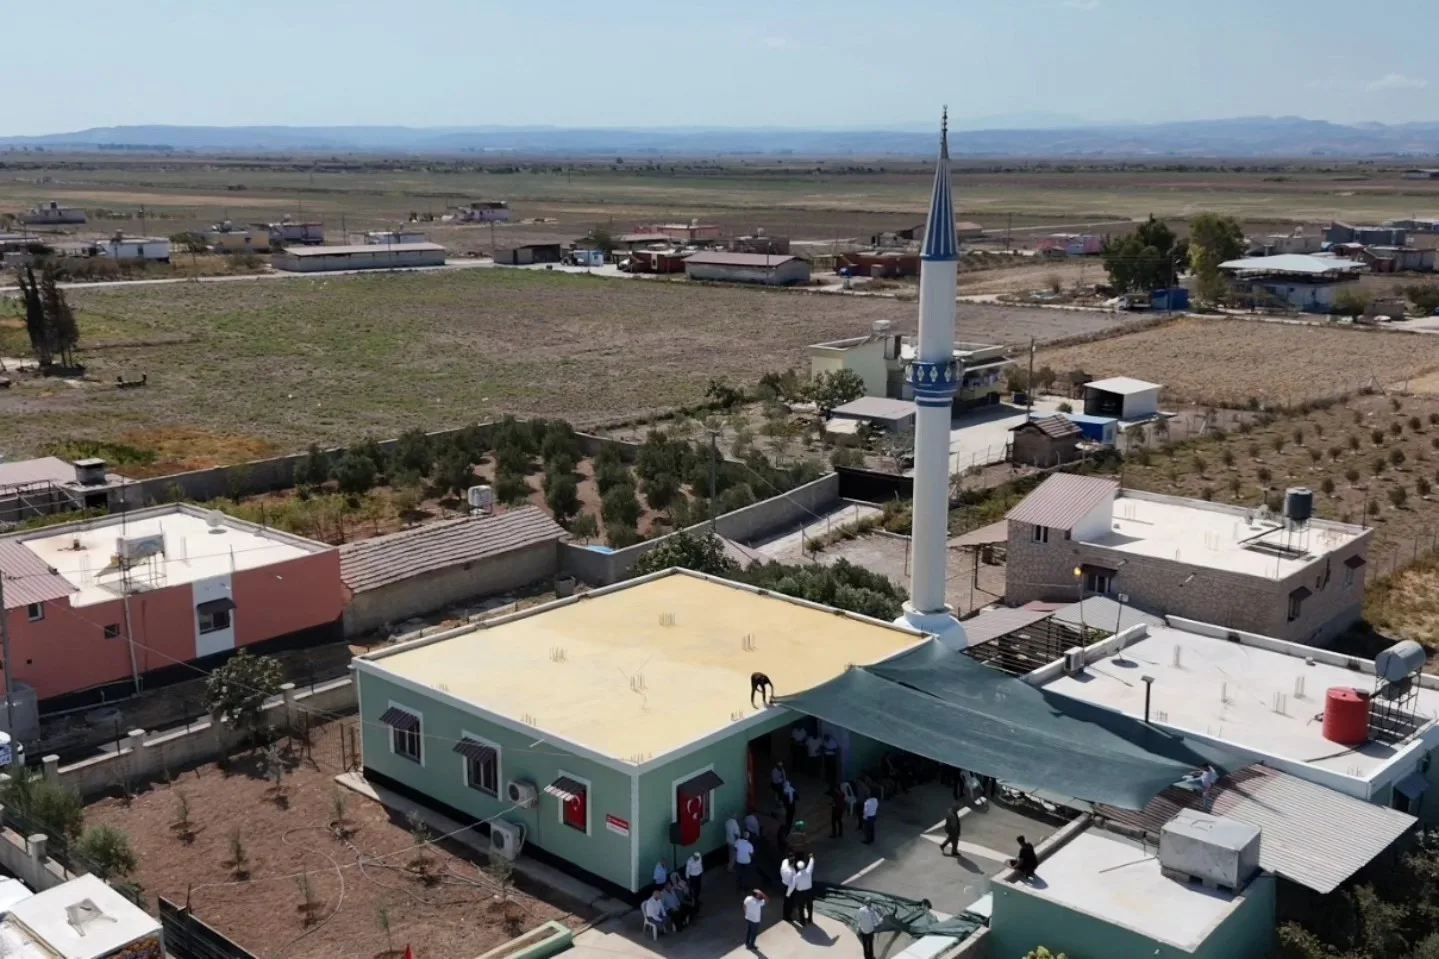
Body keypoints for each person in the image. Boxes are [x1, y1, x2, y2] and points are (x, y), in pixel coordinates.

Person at [794, 852, 815, 925]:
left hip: (800, 894)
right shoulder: (808, 871)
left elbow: (793, 885)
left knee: (801, 908)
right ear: (804, 866)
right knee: (810, 905)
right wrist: (811, 857)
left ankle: (802, 921)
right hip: (809, 892)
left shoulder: (796, 876)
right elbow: (811, 863)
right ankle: (810, 919)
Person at [779, 855, 798, 922]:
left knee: (785, 902)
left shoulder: (784, 863)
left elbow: (786, 860)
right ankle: (787, 916)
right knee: (789, 903)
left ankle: (784, 915)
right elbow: (792, 885)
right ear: (793, 863)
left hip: (784, 883)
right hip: (789, 888)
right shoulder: (792, 872)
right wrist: (788, 894)